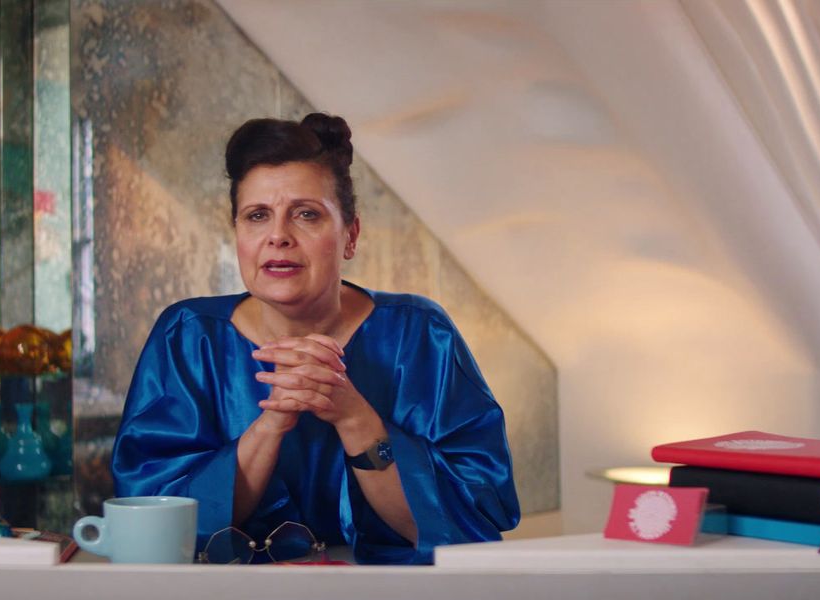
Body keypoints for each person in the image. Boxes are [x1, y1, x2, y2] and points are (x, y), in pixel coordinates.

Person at [111, 113, 519, 565]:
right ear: (237, 234)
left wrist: (354, 418)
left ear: (351, 234)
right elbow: (157, 524)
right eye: (257, 216)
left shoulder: (421, 335)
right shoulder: (187, 336)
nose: (278, 236)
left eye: (307, 215)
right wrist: (271, 425)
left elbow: (470, 526)